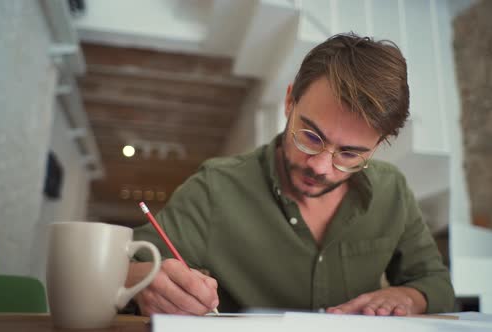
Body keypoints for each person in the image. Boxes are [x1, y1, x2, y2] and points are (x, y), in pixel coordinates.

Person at [126, 32, 455, 316]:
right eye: (311, 136)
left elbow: (437, 284)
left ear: (378, 145)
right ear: (289, 102)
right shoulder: (215, 188)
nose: (320, 166)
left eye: (350, 154)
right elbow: (122, 266)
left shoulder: (392, 190)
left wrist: (410, 297)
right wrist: (140, 280)